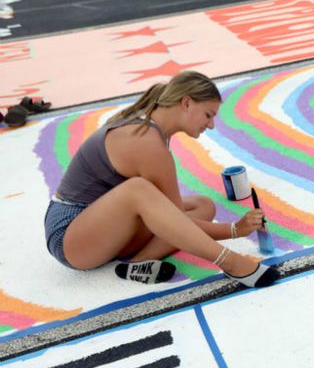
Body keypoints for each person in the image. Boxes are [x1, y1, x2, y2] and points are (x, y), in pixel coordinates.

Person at [43, 70, 278, 288]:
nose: (211, 125)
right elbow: (179, 223)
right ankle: (230, 263)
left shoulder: (151, 128)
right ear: (186, 103)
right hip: (69, 235)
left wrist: (236, 229)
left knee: (202, 206)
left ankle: (137, 264)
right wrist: (235, 230)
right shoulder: (146, 142)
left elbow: (174, 218)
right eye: (208, 114)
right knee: (139, 190)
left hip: (98, 226)